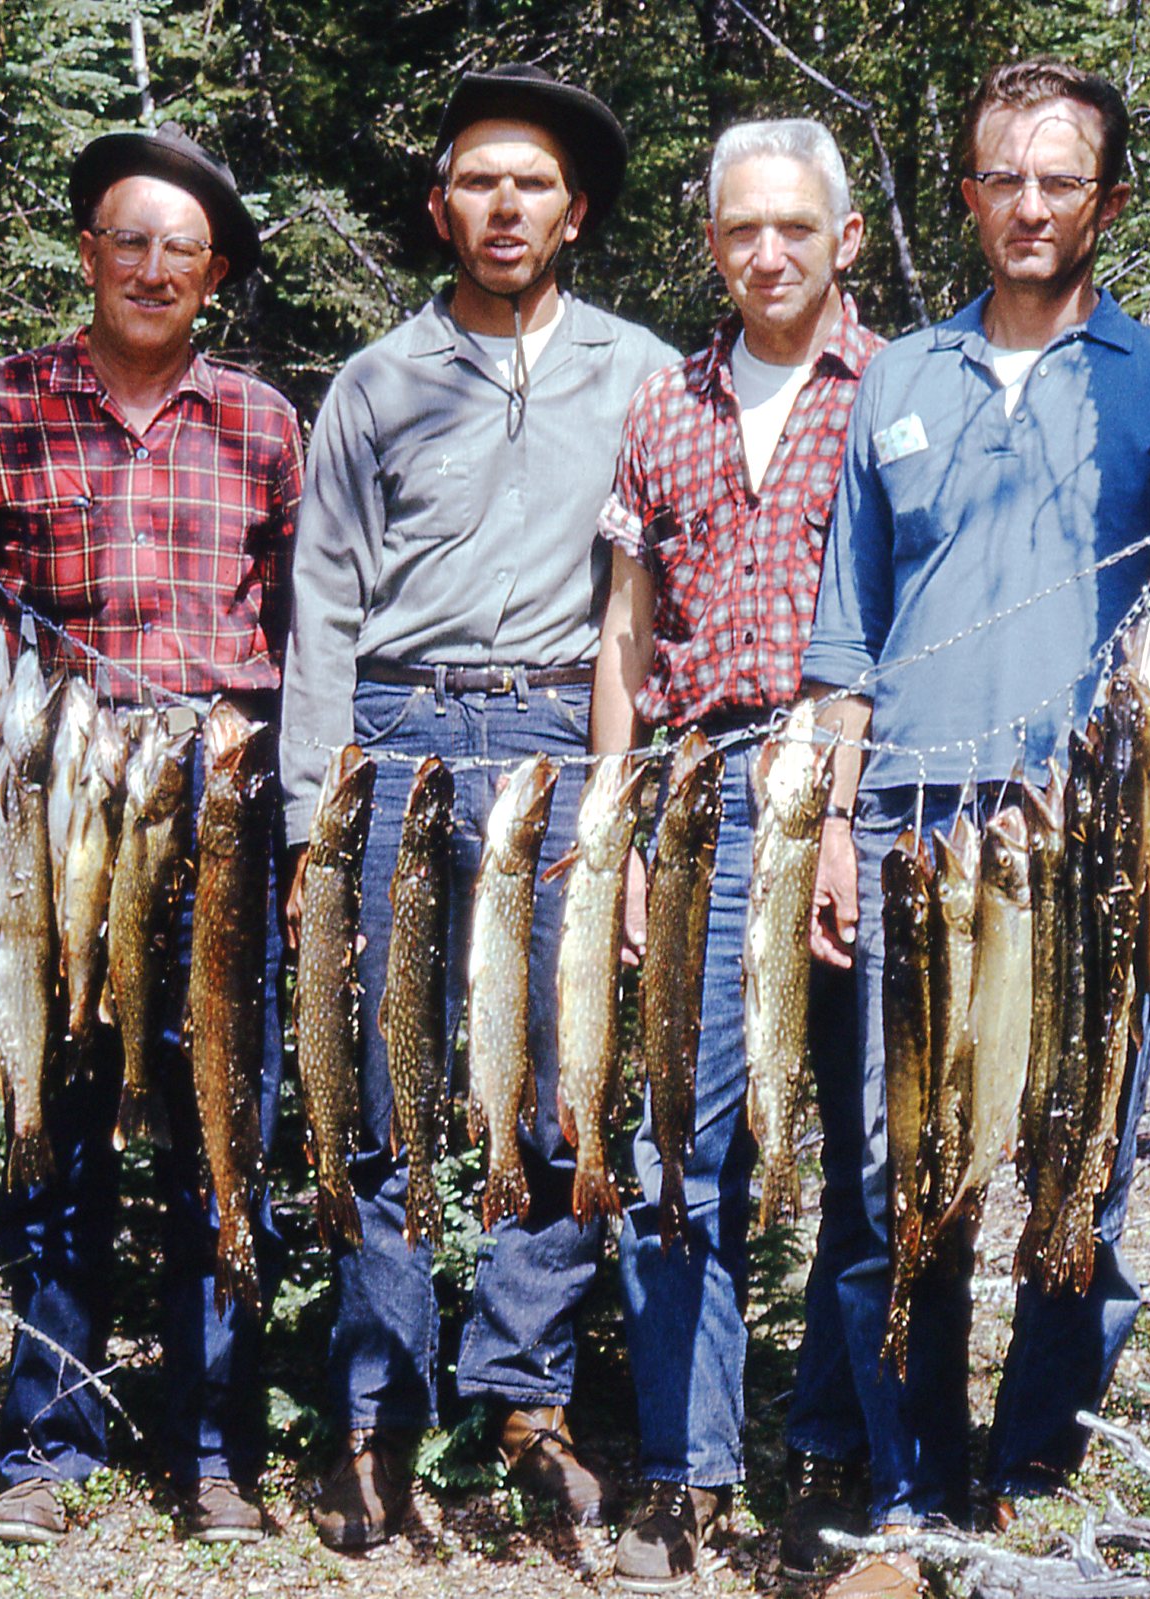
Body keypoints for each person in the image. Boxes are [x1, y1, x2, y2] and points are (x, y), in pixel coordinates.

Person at [796, 61, 1150, 1599]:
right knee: (902, 1175)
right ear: (967, 194)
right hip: (911, 833)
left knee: (1075, 1164)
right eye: (1002, 179)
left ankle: (1031, 1479)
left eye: (1060, 180)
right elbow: (845, 635)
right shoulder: (898, 379)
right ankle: (908, 1496)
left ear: (1110, 201)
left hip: (1092, 839)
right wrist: (831, 827)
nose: (1028, 206)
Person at [280, 63, 678, 1553]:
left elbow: (668, 576)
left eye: (533, 185)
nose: (504, 207)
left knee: (561, 1082)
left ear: (573, 214)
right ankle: (374, 1413)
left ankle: (526, 1399)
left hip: (562, 740)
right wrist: (312, 818)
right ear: (439, 206)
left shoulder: (644, 375)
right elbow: (323, 605)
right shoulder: (377, 383)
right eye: (477, 181)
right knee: (379, 1083)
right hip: (392, 741)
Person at [0, 126, 303, 1549]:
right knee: (58, 1127)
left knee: (219, 1128)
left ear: (216, 274)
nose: (152, 268)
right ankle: (48, 1440)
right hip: (55, 811)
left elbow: (305, 625)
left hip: (214, 804)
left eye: (181, 250)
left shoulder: (262, 423)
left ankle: (215, 1448)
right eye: (128, 241)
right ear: (87, 252)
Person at [587, 117, 881, 1592]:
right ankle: (686, 1475)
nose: (768, 254)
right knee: (678, 1149)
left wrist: (838, 811)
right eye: (741, 229)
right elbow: (625, 634)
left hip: (861, 804)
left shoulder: (901, 389)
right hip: (695, 801)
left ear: (845, 239)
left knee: (870, 1149)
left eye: (795, 227)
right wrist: (619, 832)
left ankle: (832, 1452)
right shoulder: (664, 405)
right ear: (712, 245)